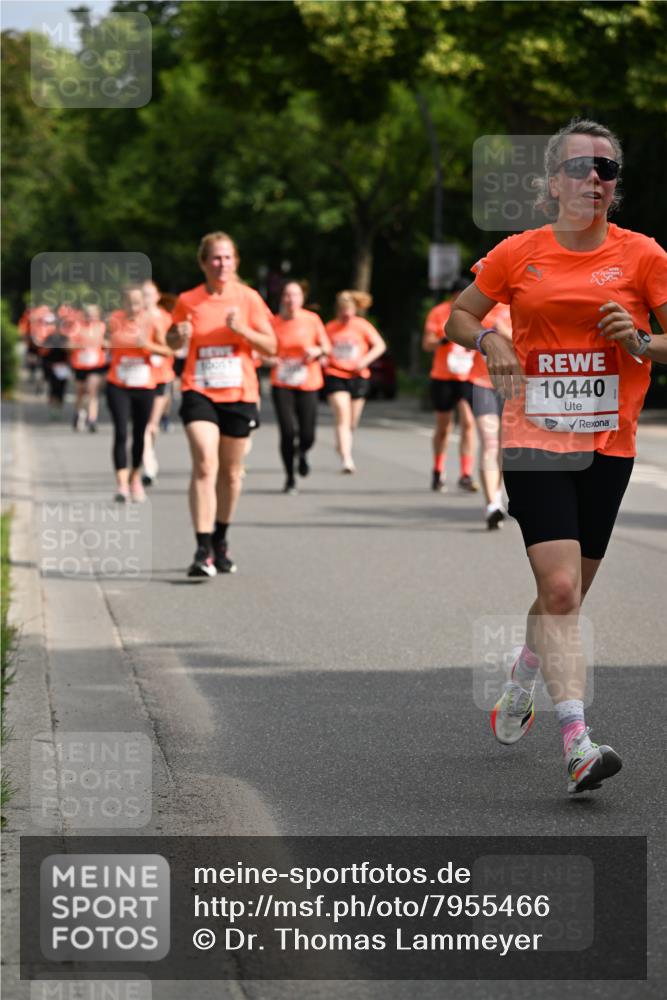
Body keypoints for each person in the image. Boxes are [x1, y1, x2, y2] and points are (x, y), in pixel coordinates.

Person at [446, 118, 667, 794]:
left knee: (561, 596)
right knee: (562, 589)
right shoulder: (517, 253)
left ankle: (521, 676)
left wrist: (637, 340)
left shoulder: (644, 256)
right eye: (579, 167)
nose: (592, 178)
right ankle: (577, 741)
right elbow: (458, 313)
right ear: (551, 183)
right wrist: (489, 340)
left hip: (609, 440)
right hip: (534, 437)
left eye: (605, 168)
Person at [167, 231, 276, 578]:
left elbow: (272, 346)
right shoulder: (188, 300)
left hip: (240, 394)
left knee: (230, 473)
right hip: (199, 389)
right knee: (204, 462)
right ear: (203, 262)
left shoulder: (249, 298)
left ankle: (220, 539)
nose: (222, 264)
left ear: (236, 261)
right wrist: (177, 336)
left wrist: (242, 329)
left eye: (228, 257)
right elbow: (170, 340)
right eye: (215, 258)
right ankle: (201, 549)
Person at [106, 286, 172, 503]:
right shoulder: (114, 320)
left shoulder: (151, 321)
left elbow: (167, 350)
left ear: (143, 304)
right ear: (122, 303)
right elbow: (103, 342)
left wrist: (148, 345)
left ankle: (135, 476)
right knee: (121, 432)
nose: (132, 307)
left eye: (136, 303)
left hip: (144, 385)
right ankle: (122, 484)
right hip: (118, 383)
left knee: (139, 433)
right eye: (128, 303)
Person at [267, 281, 331, 494]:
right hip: (282, 382)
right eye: (287, 295)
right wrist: (270, 360)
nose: (291, 299)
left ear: (302, 299)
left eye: (295, 295)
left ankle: (302, 452)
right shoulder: (273, 323)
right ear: (281, 298)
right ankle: (290, 478)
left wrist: (316, 351)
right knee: (287, 432)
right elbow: (262, 351)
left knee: (307, 434)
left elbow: (326, 347)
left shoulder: (312, 320)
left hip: (308, 381)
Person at [423, 277, 479, 493]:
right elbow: (427, 344)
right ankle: (438, 470)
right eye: (458, 294)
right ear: (452, 294)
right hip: (442, 377)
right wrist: (443, 340)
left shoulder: (476, 311)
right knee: (444, 427)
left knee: (468, 424)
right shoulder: (439, 312)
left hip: (467, 377)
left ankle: (466, 473)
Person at [323, 290, 386, 474]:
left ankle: (343, 444)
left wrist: (365, 361)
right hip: (335, 374)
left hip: (358, 376)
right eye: (343, 310)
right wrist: (324, 358)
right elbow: (324, 347)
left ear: (355, 310)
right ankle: (346, 458)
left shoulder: (362, 326)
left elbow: (380, 346)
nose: (346, 314)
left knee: (352, 422)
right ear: (338, 310)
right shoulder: (330, 327)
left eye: (349, 310)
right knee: (342, 416)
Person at [469, 302, 512, 528]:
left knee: (506, 448)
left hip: (513, 385)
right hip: (482, 383)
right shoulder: (477, 308)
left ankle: (497, 495)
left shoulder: (520, 306)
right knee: (490, 442)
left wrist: (504, 333)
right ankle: (492, 505)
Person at [141, 281, 175, 485]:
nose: (146, 299)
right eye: (143, 295)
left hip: (162, 375)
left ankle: (149, 451)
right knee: (144, 425)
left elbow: (172, 347)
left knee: (152, 427)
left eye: (149, 295)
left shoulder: (166, 318)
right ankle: (148, 463)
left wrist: (151, 345)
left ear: (157, 296)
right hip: (141, 378)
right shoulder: (133, 318)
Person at [69, 303, 107, 432]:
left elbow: (109, 343)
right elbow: (69, 345)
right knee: (80, 391)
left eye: (93, 314)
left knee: (92, 390)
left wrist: (103, 344)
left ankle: (92, 419)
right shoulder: (77, 327)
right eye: (88, 314)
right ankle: (78, 413)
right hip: (80, 364)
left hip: (96, 364)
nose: (90, 317)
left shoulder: (102, 327)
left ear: (98, 315)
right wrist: (81, 345)